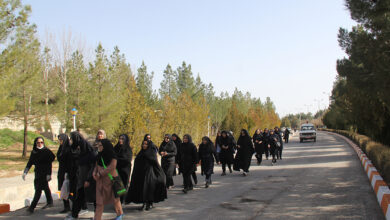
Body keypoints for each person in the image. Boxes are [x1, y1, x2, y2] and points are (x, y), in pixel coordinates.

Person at [126, 140, 167, 211]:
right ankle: (144, 203)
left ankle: (149, 203)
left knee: (149, 189)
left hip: (150, 174)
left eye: (146, 144)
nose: (144, 145)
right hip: (142, 174)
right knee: (142, 189)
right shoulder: (141, 153)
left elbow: (155, 163)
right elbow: (137, 162)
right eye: (143, 144)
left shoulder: (151, 153)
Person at [66, 132, 96, 220]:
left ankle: (97, 216)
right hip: (82, 180)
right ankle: (74, 214)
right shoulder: (81, 154)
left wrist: (89, 179)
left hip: (89, 180)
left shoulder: (90, 155)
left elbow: (93, 168)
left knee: (95, 199)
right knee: (79, 197)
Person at [93, 139, 124, 220]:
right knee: (99, 202)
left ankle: (119, 214)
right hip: (100, 182)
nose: (99, 147)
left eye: (100, 145)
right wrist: (94, 173)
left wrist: (101, 173)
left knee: (115, 199)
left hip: (111, 180)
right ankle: (97, 218)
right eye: (98, 145)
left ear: (105, 146)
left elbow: (112, 167)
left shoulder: (112, 155)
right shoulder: (99, 155)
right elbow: (96, 166)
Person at [23, 137, 55, 214]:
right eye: (38, 142)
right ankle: (50, 202)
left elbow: (49, 164)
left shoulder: (46, 151)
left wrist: (49, 174)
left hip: (45, 173)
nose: (40, 144)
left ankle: (32, 207)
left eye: (41, 142)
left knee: (38, 190)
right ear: (35, 143)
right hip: (37, 173)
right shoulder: (34, 151)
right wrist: (25, 172)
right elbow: (30, 162)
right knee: (45, 187)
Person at [114, 134, 132, 203]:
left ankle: (122, 199)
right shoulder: (116, 147)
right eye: (120, 138)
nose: (120, 140)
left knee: (124, 184)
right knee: (117, 185)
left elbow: (127, 159)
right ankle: (118, 200)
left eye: (122, 139)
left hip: (125, 170)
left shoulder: (128, 149)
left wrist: (117, 159)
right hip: (116, 169)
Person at [57, 134, 72, 213]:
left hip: (67, 172)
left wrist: (67, 172)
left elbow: (69, 162)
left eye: (61, 140)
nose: (60, 141)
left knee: (69, 190)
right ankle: (66, 206)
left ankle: (78, 205)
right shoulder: (61, 148)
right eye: (59, 140)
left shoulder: (68, 149)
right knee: (62, 189)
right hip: (61, 171)